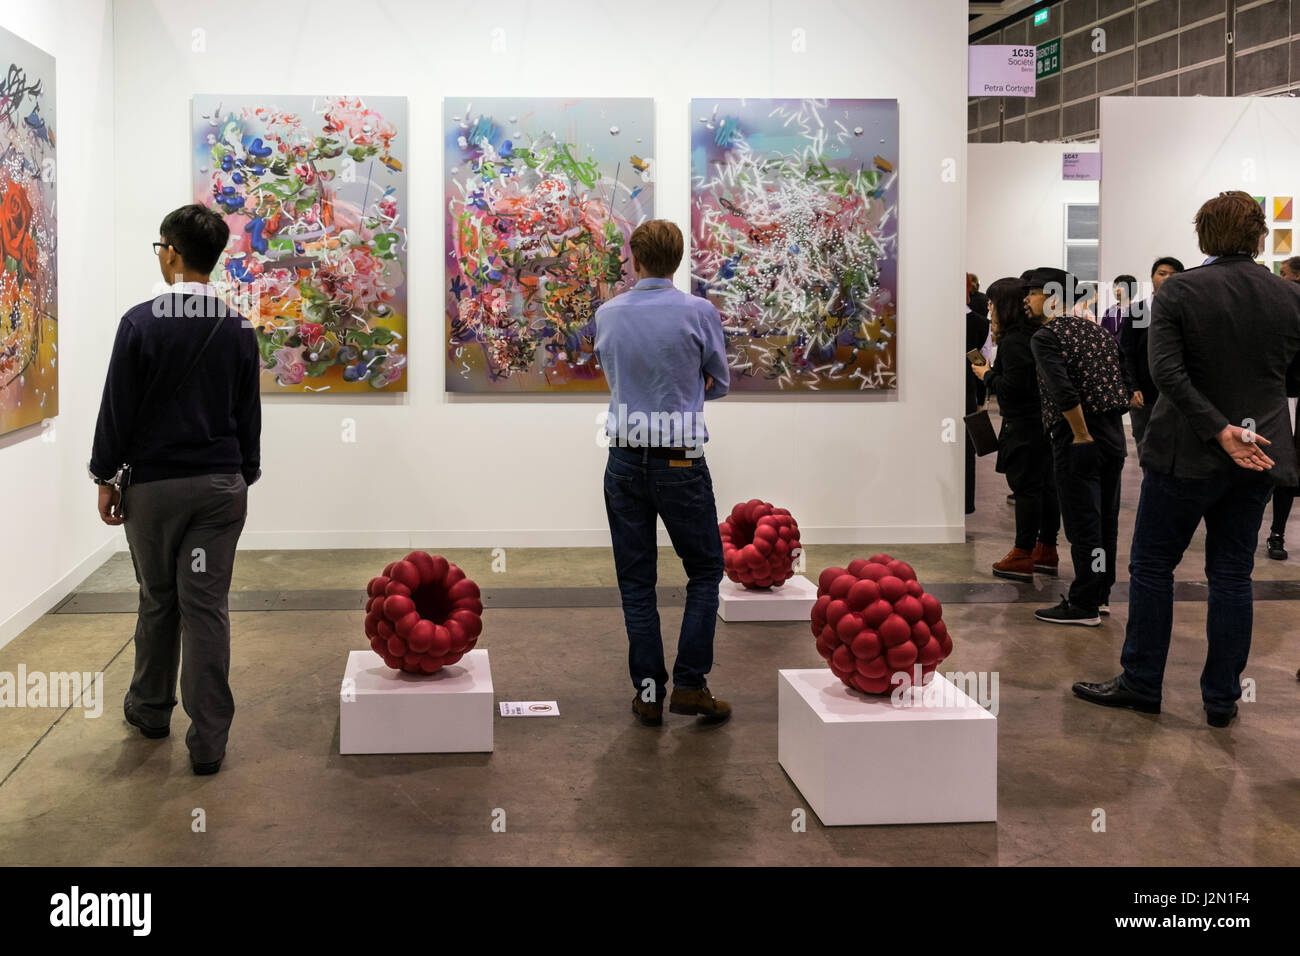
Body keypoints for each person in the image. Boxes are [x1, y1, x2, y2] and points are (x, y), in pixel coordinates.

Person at [1074, 191, 1300, 727]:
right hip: (1258, 454)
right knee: (1232, 573)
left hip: (1184, 453)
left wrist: (1219, 430)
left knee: (1153, 567)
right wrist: (1244, 426)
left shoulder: (1179, 292)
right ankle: (1221, 700)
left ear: (1202, 235)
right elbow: (1288, 377)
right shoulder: (1289, 297)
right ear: (1259, 236)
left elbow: (1166, 377)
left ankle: (1142, 683)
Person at [89, 204, 261, 775]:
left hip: (155, 489)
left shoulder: (141, 321)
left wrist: (105, 474)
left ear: (171, 252)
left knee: (159, 599)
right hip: (219, 486)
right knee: (206, 608)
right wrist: (242, 473)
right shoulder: (237, 326)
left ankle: (151, 709)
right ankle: (209, 742)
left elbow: (118, 407)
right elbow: (247, 414)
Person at [594, 219, 731, 728]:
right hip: (680, 459)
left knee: (636, 581)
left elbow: (611, 373)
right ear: (677, 259)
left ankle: (649, 693)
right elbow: (719, 382)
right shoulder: (699, 311)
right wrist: (691, 388)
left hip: (625, 458)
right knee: (704, 572)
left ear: (634, 257)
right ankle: (691, 687)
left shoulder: (608, 314)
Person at [1027, 267, 1130, 626]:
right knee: (1105, 521)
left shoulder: (1047, 335)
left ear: (1054, 297)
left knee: (1083, 523)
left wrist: (1081, 434)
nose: (1027, 299)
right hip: (1113, 434)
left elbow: (1063, 391)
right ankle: (1099, 594)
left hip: (1079, 435)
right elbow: (1124, 379)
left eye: (1034, 292)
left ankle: (1084, 604)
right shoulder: (1097, 331)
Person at [972, 277, 1058, 580]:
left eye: (993, 302)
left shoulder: (1013, 341)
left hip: (1024, 426)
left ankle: (1023, 554)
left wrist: (986, 375)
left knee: (1027, 490)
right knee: (1045, 487)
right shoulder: (1037, 334)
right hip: (1044, 424)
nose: (990, 307)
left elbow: (1013, 388)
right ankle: (1046, 549)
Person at [1120, 257, 1185, 451]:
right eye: (1162, 273)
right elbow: (1127, 352)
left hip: (1177, 393)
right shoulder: (1138, 311)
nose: (1167, 278)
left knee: (1175, 447)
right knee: (1146, 445)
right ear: (1152, 277)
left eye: (1173, 275)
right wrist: (1132, 388)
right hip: (1144, 395)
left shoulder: (1186, 309)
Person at [1268, 259, 1300, 559]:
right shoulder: (1281, 308)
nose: (1282, 280)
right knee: (1283, 469)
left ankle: (1277, 532)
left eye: (1285, 275)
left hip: (1288, 395)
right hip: (1284, 396)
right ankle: (1276, 533)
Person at [964, 290, 991, 515]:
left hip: (936, 391)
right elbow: (980, 362)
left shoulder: (936, 321)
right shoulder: (980, 324)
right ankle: (964, 503)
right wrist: (982, 399)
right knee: (965, 449)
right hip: (967, 393)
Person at [1100, 274, 1136, 339]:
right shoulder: (1109, 312)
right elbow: (1103, 334)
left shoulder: (1136, 311)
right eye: (1115, 286)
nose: (1116, 289)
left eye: (1120, 286)